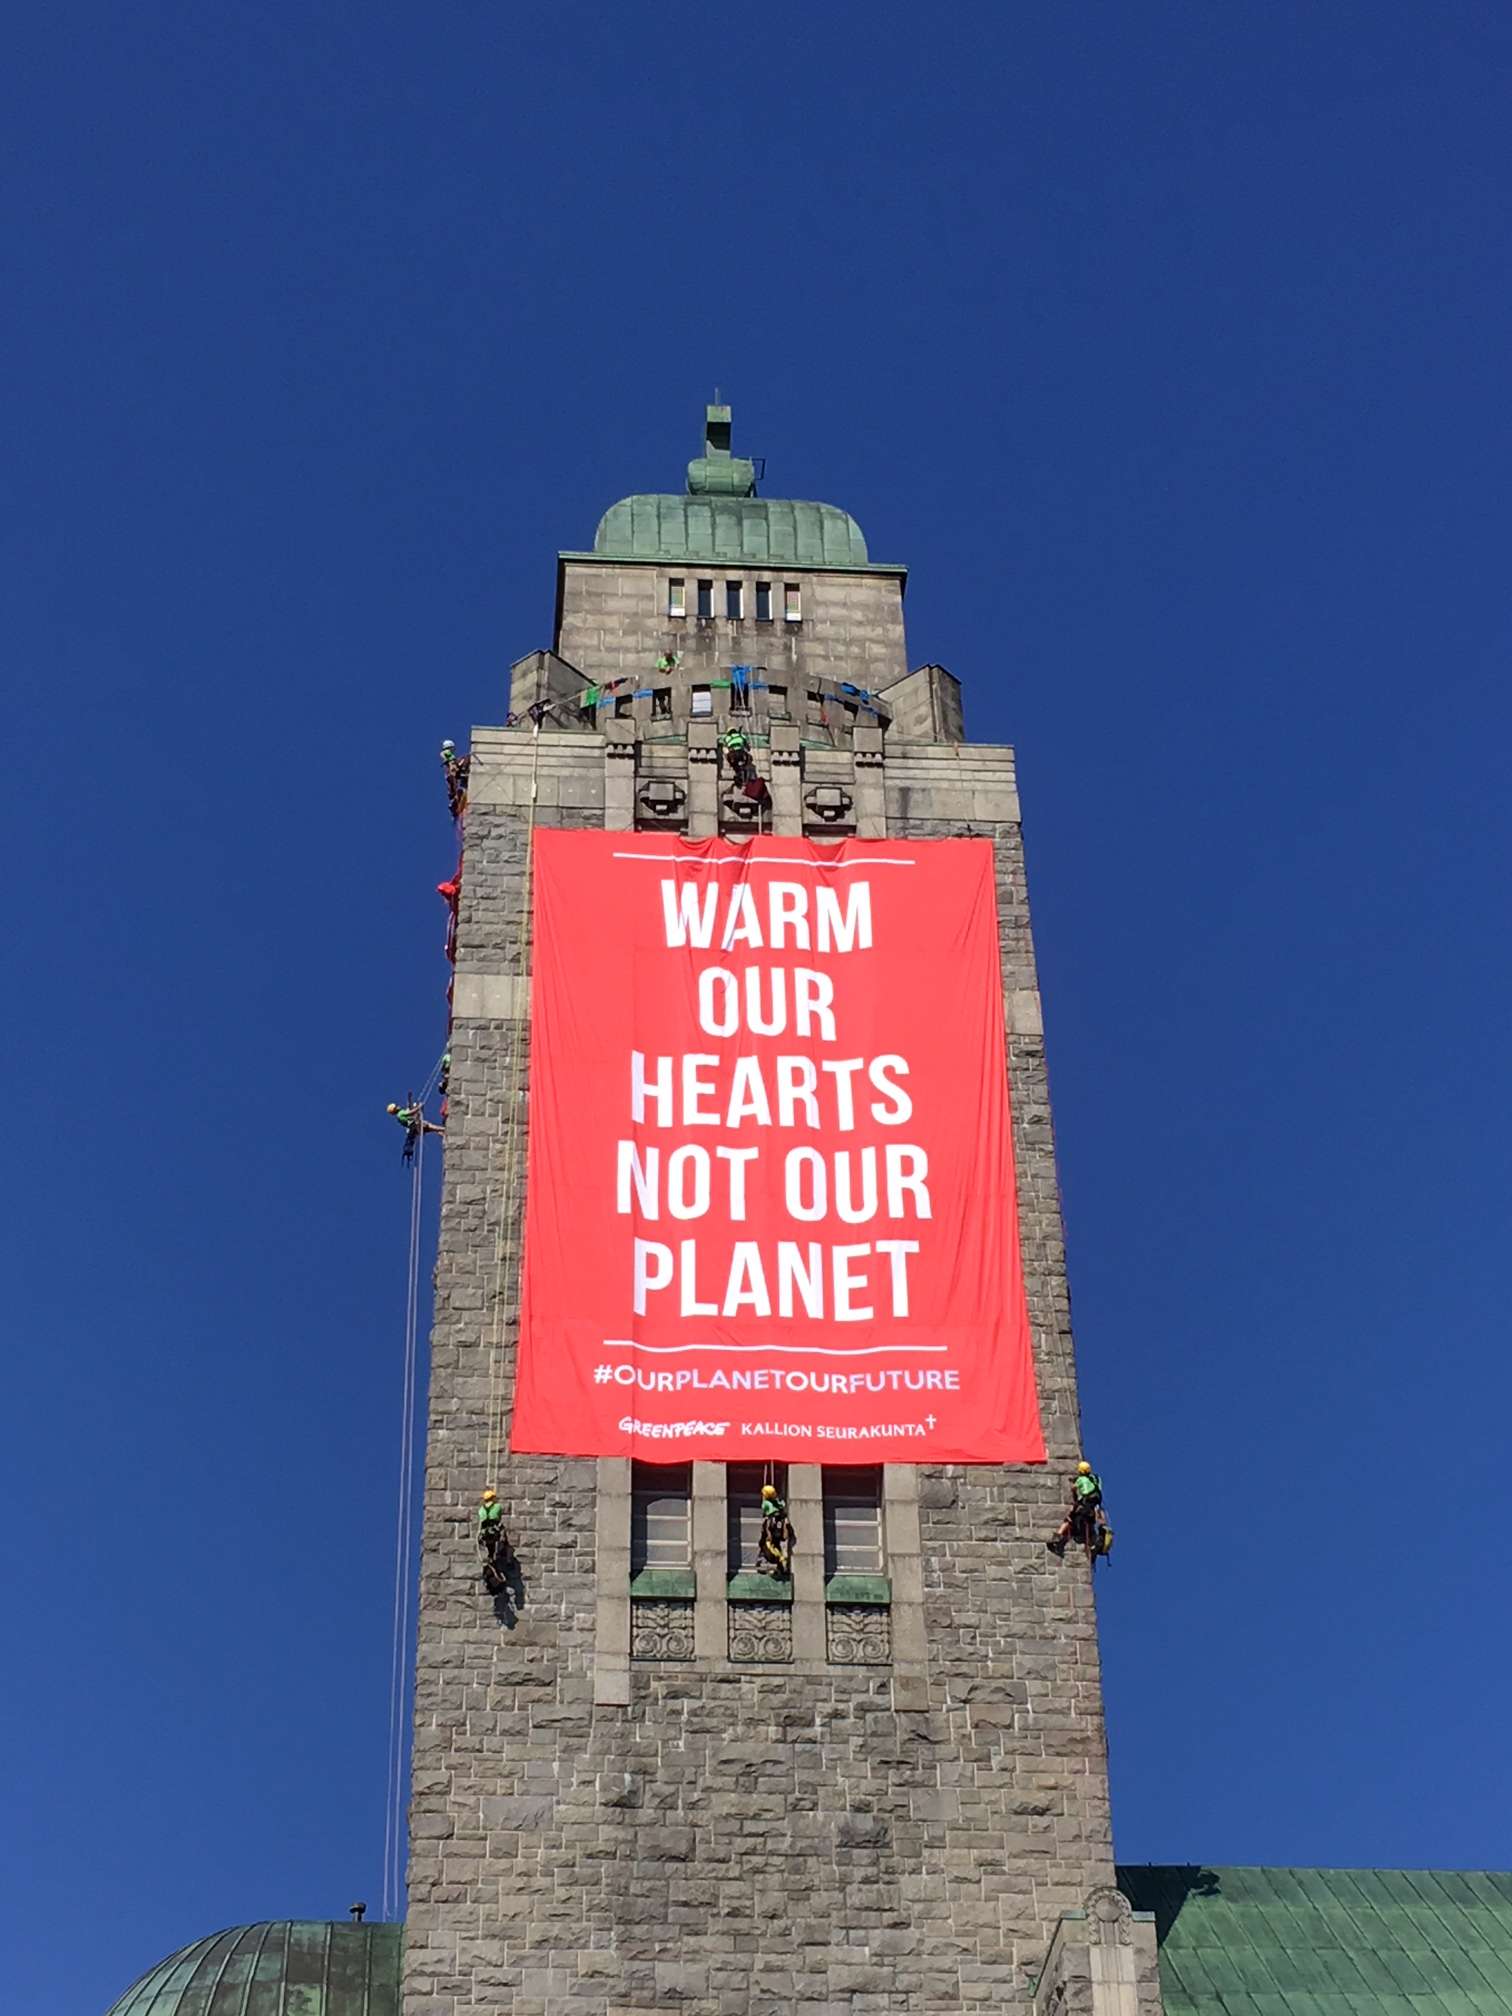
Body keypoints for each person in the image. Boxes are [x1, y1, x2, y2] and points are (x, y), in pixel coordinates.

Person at [1047, 1461, 1103, 1555]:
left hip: (1083, 1508)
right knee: (1087, 1527)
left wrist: (1074, 1491)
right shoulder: (1095, 1479)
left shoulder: (1080, 1480)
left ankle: (1057, 1539)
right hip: (1092, 1510)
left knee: (1069, 1521)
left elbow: (1073, 1489)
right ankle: (1094, 1546)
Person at [757, 1482, 793, 1578]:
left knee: (766, 1544)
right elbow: (782, 1505)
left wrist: (768, 1533)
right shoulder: (778, 1504)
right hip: (778, 1527)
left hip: (771, 1526)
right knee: (776, 1545)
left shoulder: (766, 1504)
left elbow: (764, 1509)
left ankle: (768, 1560)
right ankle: (781, 1565)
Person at [477, 1487, 508, 1576]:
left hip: (484, 1534)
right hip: (494, 1532)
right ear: (492, 1498)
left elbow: (482, 1520)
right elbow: (499, 1517)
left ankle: (490, 1559)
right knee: (496, 1546)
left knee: (489, 1547)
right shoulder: (497, 1507)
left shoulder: (481, 1510)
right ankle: (493, 1560)